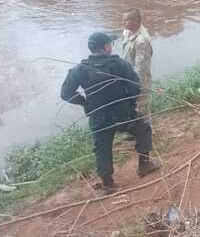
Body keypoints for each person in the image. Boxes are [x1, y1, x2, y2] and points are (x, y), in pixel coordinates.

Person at [61, 32, 161, 194]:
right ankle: (144, 165)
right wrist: (129, 103)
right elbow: (135, 86)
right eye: (110, 44)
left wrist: (85, 103)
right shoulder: (119, 64)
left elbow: (66, 94)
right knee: (143, 127)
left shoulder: (80, 69)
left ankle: (108, 184)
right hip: (123, 114)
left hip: (99, 117)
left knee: (102, 147)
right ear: (106, 47)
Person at [121, 8, 153, 115]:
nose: (124, 22)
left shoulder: (142, 41)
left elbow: (141, 69)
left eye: (127, 20)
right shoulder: (127, 31)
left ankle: (146, 128)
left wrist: (135, 87)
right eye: (123, 19)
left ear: (136, 21)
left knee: (141, 107)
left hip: (139, 82)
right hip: (128, 76)